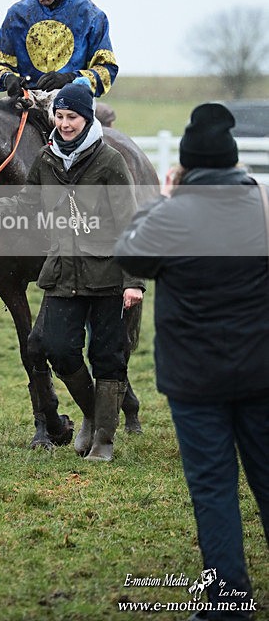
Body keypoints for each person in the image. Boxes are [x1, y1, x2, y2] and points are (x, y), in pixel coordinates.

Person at [114, 103, 269, 620]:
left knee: (213, 488)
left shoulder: (173, 214)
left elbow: (130, 255)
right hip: (261, 371)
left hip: (195, 381)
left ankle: (229, 604)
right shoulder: (262, 205)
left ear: (186, 167)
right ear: (232, 162)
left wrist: (164, 198)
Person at [0, 78, 144, 462]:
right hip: (62, 272)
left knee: (107, 357)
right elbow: (26, 204)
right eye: (60, 116)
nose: (64, 124)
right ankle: (93, 417)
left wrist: (134, 282)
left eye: (72, 117)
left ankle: (104, 442)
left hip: (106, 275)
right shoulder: (48, 161)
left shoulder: (110, 162)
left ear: (87, 117)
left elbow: (129, 224)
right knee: (58, 350)